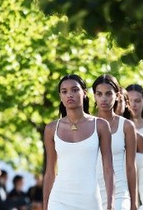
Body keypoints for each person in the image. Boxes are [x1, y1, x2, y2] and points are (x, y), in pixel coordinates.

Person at [43, 74, 114, 210]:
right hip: (59, 200)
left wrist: (110, 204)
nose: (70, 95)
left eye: (75, 90)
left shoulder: (100, 125)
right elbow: (50, 172)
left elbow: (108, 169)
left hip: (89, 200)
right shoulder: (51, 128)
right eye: (64, 91)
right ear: (60, 96)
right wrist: (45, 205)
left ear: (85, 93)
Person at [92, 74, 137, 210]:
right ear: (94, 96)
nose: (103, 98)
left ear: (117, 95)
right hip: (92, 193)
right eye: (99, 94)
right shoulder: (87, 125)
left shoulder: (127, 126)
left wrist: (134, 202)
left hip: (120, 194)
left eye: (108, 94)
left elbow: (131, 166)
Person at [115, 87, 143, 210]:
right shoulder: (96, 131)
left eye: (120, 101)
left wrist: (142, 205)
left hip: (126, 198)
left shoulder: (138, 138)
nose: (116, 105)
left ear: (126, 104)